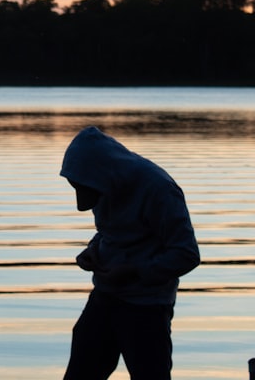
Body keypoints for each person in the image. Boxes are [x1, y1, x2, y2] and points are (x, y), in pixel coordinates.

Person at [59, 126, 200, 380]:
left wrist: (134, 271)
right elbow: (111, 232)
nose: (81, 201)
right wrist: (93, 250)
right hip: (105, 298)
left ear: (102, 173)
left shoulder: (159, 189)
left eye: (83, 188)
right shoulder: (103, 183)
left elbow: (186, 253)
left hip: (147, 308)